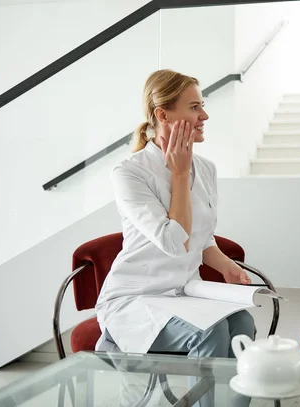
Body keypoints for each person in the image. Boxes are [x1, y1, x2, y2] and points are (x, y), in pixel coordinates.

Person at [95, 69, 256, 358]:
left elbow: (202, 240)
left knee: (243, 323)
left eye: (202, 106)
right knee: (210, 334)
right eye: (194, 108)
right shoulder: (129, 172)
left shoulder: (206, 169)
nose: (204, 117)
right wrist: (179, 174)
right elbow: (174, 242)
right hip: (137, 298)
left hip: (183, 293)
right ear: (163, 115)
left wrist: (226, 266)